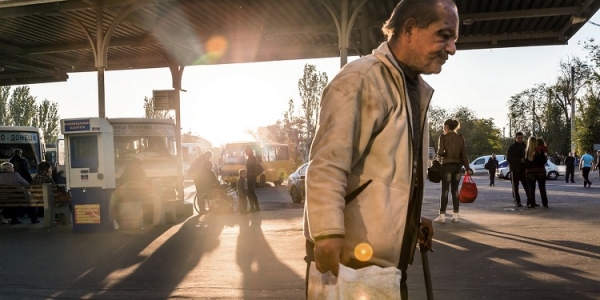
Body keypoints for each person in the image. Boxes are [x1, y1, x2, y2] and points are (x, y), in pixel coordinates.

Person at [303, 0, 457, 298]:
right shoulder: (362, 78)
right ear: (410, 29)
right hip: (352, 265)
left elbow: (388, 172)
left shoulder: (411, 87)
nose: (451, 48)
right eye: (444, 35)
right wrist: (327, 233)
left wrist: (411, 221)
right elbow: (328, 163)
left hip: (383, 267)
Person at [434, 119, 472, 223]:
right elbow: (464, 155)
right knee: (455, 191)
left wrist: (439, 154)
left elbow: (441, 152)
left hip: (447, 166)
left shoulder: (443, 137)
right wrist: (468, 168)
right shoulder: (460, 138)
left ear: (446, 126)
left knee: (445, 190)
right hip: (458, 167)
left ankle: (442, 215)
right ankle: (456, 215)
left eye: (443, 126)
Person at [506, 132, 530, 207]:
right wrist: (519, 160)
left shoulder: (526, 146)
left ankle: (530, 200)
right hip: (514, 169)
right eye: (519, 138)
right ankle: (517, 201)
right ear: (515, 138)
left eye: (521, 138)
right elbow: (509, 158)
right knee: (515, 187)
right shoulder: (512, 147)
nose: (520, 139)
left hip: (523, 169)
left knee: (527, 186)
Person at [524, 137, 548, 208]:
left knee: (531, 188)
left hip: (530, 172)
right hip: (541, 171)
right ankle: (545, 203)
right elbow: (544, 161)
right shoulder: (540, 150)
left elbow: (525, 162)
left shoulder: (526, 151)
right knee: (542, 188)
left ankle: (531, 203)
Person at [245, 146, 261, 212]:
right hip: (251, 176)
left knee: (250, 192)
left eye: (246, 151)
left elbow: (251, 168)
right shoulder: (250, 157)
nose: (246, 152)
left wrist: (249, 174)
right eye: (245, 151)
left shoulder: (252, 158)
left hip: (251, 176)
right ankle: (255, 207)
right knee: (250, 192)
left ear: (250, 151)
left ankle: (254, 207)